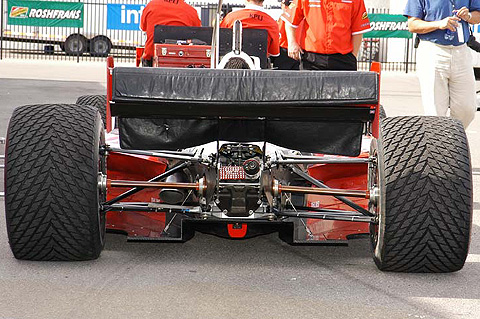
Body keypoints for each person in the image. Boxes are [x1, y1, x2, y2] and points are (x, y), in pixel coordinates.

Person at [404, 0, 480, 128]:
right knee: (435, 110)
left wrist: (469, 16)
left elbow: (477, 16)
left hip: (461, 50)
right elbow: (412, 25)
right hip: (433, 50)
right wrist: (439, 24)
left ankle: (450, 138)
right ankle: (441, 143)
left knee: (467, 108)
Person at [281, 0, 372, 71]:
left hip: (343, 59)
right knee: (310, 94)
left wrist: (353, 56)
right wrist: (292, 43)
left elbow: (358, 31)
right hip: (311, 60)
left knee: (344, 94)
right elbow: (290, 21)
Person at [140, 0, 201, 66]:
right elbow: (197, 34)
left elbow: (143, 28)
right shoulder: (191, 12)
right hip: (183, 59)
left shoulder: (151, 6)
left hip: (152, 58)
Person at [271, 0, 304, 70]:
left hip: (285, 52)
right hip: (301, 52)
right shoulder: (303, 18)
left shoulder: (284, 19)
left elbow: (278, 37)